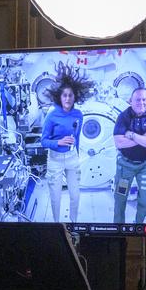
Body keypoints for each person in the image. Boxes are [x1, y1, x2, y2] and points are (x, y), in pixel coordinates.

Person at [40, 63, 92, 223]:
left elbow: (77, 138)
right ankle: (57, 226)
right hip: (54, 159)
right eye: (65, 95)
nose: (68, 99)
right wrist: (59, 142)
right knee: (55, 197)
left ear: (75, 96)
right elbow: (43, 141)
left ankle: (73, 223)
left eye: (70, 95)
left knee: (75, 196)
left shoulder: (78, 114)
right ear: (59, 97)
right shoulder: (52, 115)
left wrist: (76, 153)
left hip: (72, 158)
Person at [113, 87, 146, 223]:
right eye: (137, 100)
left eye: (144, 99)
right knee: (120, 198)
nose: (141, 103)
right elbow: (119, 142)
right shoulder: (123, 117)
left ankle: (138, 224)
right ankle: (118, 228)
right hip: (125, 165)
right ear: (131, 101)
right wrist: (145, 137)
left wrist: (133, 135)